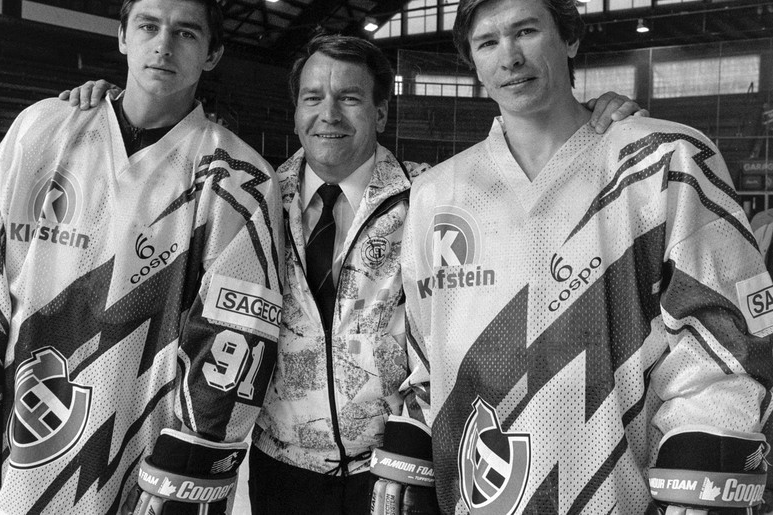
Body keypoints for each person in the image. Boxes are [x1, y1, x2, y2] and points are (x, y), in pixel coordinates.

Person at [61, 33, 644, 514]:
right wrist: (114, 108)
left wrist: (592, 119)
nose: (328, 114)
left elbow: (521, 215)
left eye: (349, 98)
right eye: (312, 98)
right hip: (280, 468)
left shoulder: (433, 195)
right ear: (295, 111)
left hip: (399, 466)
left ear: (381, 111)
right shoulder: (246, 194)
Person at [391, 0, 773, 514]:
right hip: (480, 496)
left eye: (526, 30)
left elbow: (725, 343)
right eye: (487, 42)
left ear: (569, 37)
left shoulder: (664, 160)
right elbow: (427, 355)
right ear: (472, 62)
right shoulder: (434, 194)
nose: (510, 57)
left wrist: (700, 484)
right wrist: (413, 461)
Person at [0, 0, 284, 515]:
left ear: (212, 54)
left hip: (140, 449)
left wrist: (197, 458)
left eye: (186, 33)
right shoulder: (39, 130)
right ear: (122, 37)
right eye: (148, 26)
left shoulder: (240, 179)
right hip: (23, 426)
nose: (163, 44)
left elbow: (235, 332)